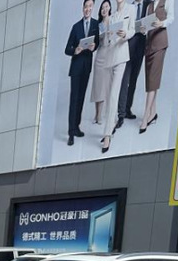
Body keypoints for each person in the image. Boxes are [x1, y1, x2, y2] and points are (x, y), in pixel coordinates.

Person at [96, 0, 134, 153]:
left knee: (113, 95)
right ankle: (110, 125)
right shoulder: (111, 17)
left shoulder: (131, 9)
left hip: (121, 55)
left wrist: (126, 34)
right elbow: (106, 41)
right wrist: (108, 35)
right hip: (109, 57)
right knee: (108, 95)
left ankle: (107, 135)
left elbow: (132, 30)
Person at [64, 0, 99, 147]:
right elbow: (67, 49)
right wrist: (75, 50)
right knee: (74, 100)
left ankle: (76, 127)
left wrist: (94, 47)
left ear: (92, 8)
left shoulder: (95, 24)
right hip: (76, 67)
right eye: (85, 6)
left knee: (81, 98)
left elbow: (97, 43)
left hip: (86, 67)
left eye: (90, 6)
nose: (87, 9)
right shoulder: (76, 26)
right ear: (83, 8)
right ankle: (71, 133)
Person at [140, 0, 172, 134]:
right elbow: (145, 26)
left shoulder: (167, 1)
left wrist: (162, 23)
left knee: (153, 78)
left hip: (160, 43)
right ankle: (153, 113)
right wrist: (143, 30)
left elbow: (171, 18)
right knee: (151, 79)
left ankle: (145, 116)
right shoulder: (149, 5)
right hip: (149, 44)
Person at [117, 0, 151, 126]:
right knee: (124, 80)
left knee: (133, 80)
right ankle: (121, 112)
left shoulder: (149, 4)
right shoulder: (128, 7)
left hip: (141, 47)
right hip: (128, 47)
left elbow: (152, 22)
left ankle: (127, 109)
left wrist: (145, 30)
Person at [90, 0, 115, 128]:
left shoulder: (114, 21)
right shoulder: (98, 25)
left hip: (110, 56)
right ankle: (97, 114)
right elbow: (95, 42)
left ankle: (102, 114)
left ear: (110, 8)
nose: (104, 9)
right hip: (100, 56)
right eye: (102, 8)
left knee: (105, 86)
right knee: (98, 86)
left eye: (106, 6)